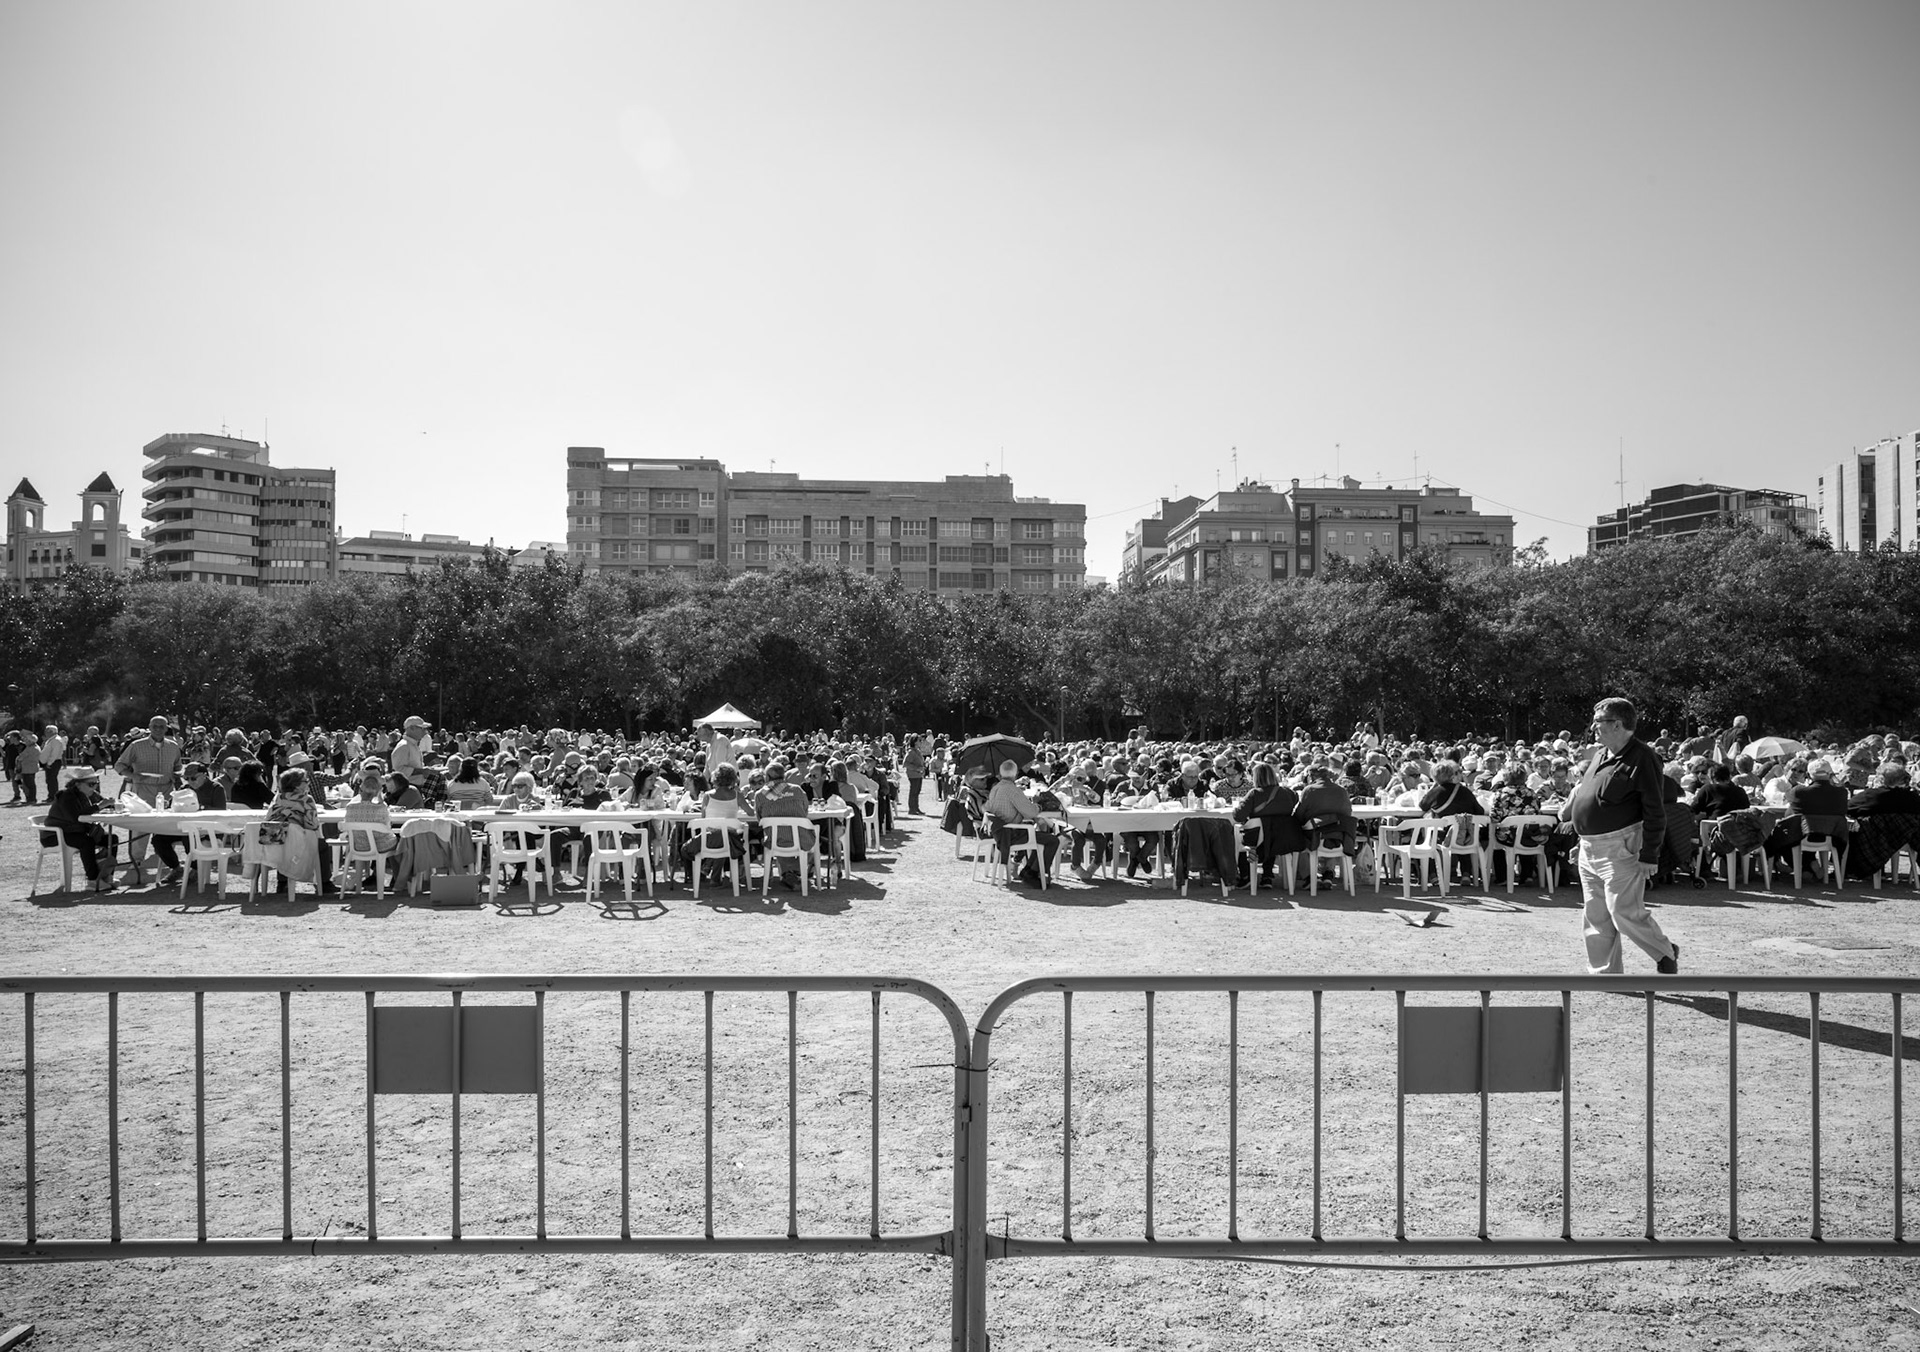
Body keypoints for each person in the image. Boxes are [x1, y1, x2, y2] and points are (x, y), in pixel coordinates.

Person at [1562, 698, 1678, 975]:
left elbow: (1654, 810)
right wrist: (1583, 841)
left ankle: (1664, 951)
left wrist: (1650, 853)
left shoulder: (1643, 757)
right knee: (1596, 914)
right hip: (1591, 847)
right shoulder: (1602, 754)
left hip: (1621, 846)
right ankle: (1605, 973)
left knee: (1623, 912)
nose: (1593, 727)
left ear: (1617, 724)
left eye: (1599, 721)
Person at [43, 763, 119, 891]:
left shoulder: (90, 794)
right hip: (57, 834)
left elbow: (105, 805)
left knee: (112, 839)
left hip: (77, 831)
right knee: (86, 842)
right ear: (77, 784)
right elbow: (76, 816)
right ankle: (93, 880)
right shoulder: (66, 796)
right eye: (91, 784)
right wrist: (99, 806)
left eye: (96, 783)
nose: (94, 787)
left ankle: (106, 876)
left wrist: (112, 804)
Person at [984, 758, 1058, 884]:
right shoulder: (1013, 790)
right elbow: (1031, 812)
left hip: (999, 831)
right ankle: (1033, 872)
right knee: (1052, 840)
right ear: (1015, 774)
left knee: (1038, 833)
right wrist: (1037, 803)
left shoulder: (995, 788)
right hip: (1010, 833)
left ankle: (1029, 870)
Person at [391, 716, 431, 787]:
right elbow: (398, 770)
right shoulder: (404, 746)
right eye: (422, 728)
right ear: (412, 728)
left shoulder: (413, 745)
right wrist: (422, 771)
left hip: (414, 787)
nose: (425, 732)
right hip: (406, 788)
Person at [40, 724, 67, 803]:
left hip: (53, 762)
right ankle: (51, 795)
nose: (45, 733)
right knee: (49, 780)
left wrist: (49, 763)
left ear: (51, 732)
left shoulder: (56, 740)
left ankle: (53, 796)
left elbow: (55, 753)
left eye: (47, 731)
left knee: (52, 780)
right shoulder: (51, 739)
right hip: (51, 762)